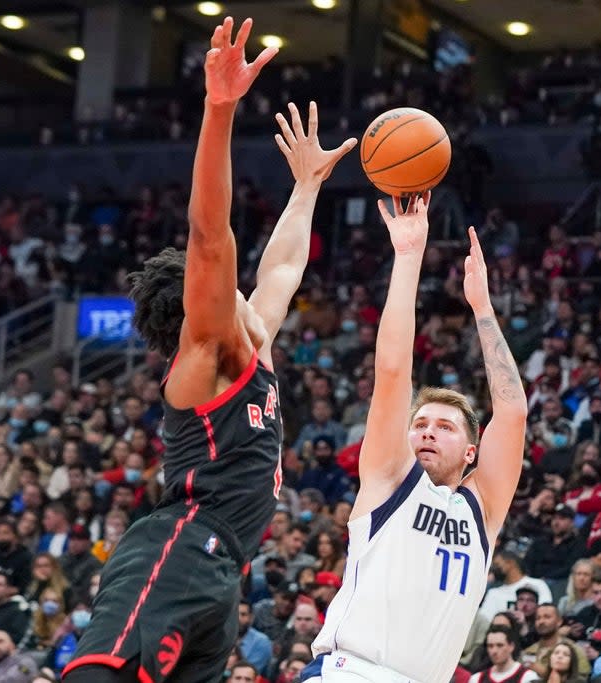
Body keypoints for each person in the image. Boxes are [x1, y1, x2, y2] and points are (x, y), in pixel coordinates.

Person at [63, 18, 355, 683]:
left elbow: (282, 268)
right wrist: (218, 110)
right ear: (202, 298)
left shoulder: (255, 339)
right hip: (178, 547)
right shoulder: (208, 350)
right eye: (218, 281)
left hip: (221, 571)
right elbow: (209, 231)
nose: (235, 278)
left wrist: (307, 187)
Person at [305, 203, 527, 680]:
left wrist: (482, 309)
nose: (427, 429)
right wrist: (408, 257)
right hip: (352, 673)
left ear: (473, 453)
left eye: (446, 427)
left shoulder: (481, 510)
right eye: (421, 423)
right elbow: (391, 369)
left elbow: (512, 412)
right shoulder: (389, 477)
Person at [480, 550, 552, 620]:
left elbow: (545, 612)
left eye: (497, 564)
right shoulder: (493, 593)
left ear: (510, 563)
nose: (493, 569)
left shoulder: (538, 584)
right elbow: (484, 620)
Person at [468, 626, 536, 683]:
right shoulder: (477, 679)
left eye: (500, 645)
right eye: (490, 646)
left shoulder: (528, 677)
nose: (494, 651)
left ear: (511, 646)